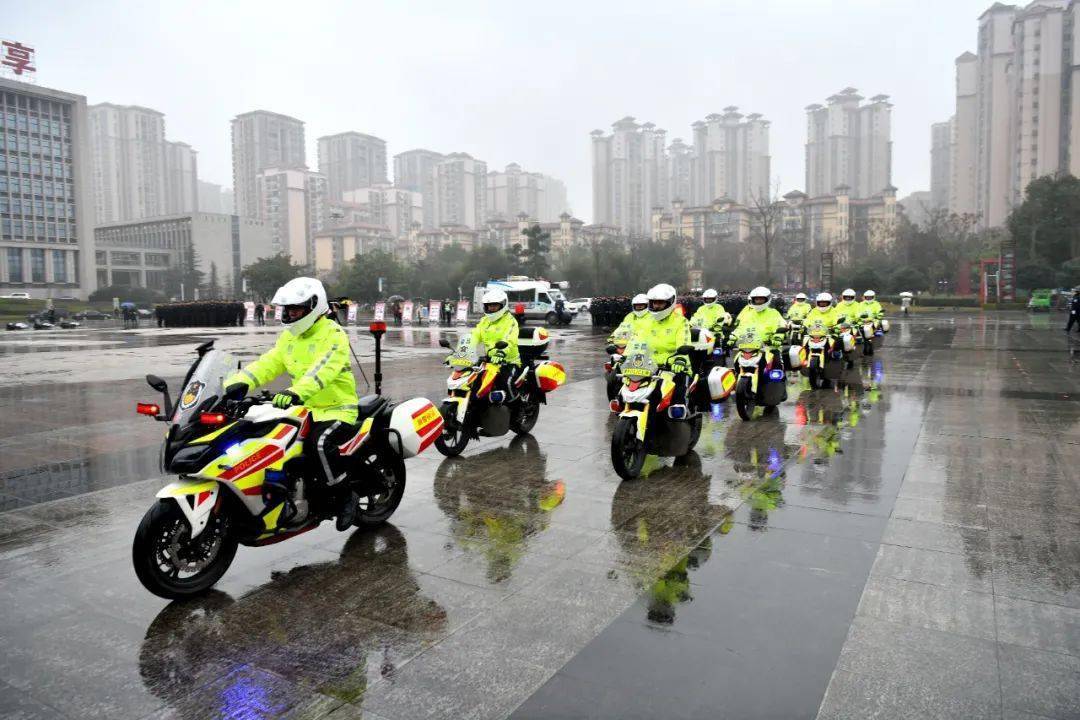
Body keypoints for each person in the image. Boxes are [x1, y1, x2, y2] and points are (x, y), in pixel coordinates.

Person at [223, 277, 360, 531]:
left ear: (313, 307)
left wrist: (296, 392)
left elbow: (322, 371)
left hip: (336, 408)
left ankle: (345, 496)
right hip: (304, 409)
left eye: (295, 309)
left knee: (319, 443)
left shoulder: (333, 334)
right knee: (268, 440)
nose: (289, 314)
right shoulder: (289, 338)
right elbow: (269, 363)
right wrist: (239, 382)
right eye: (287, 309)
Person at [634, 283, 692, 415]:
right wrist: (625, 356)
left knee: (677, 400)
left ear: (670, 303)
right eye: (654, 303)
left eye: (660, 303)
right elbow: (635, 341)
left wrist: (680, 359)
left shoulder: (680, 322)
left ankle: (683, 421)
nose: (656, 306)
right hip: (648, 367)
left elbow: (684, 341)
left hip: (673, 367)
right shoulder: (646, 322)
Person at [469, 289, 521, 403]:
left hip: (508, 361)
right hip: (490, 361)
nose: (491, 308)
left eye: (494, 305)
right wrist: (463, 349)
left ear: (502, 305)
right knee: (471, 382)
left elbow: (509, 339)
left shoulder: (510, 321)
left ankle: (518, 410)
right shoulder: (484, 321)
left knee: (506, 383)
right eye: (489, 306)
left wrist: (501, 352)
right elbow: (474, 335)